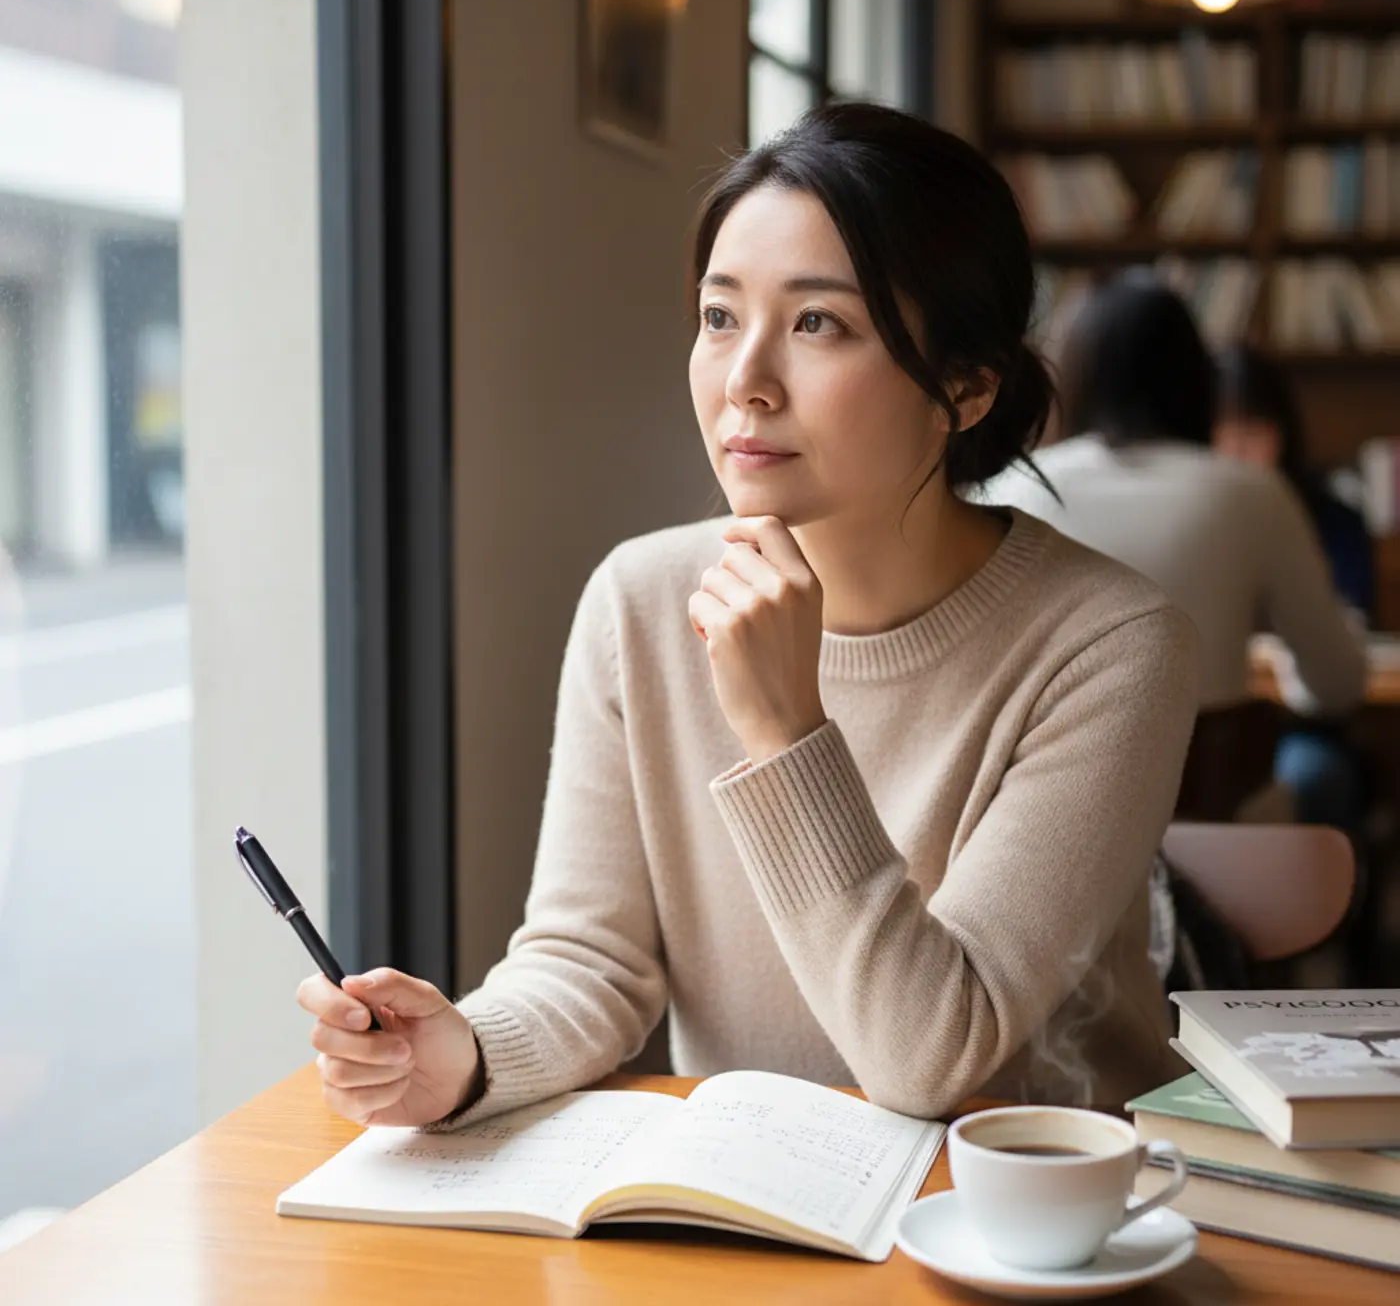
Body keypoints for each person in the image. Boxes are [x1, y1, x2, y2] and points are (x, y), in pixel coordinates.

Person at [297, 105, 1200, 1132]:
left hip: (1034, 1217)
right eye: (720, 317)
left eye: (818, 323)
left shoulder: (1113, 644)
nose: (743, 380)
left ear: (963, 384)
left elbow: (930, 1056)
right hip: (765, 1203)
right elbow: (588, 958)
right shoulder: (639, 598)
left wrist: (786, 730)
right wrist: (461, 1053)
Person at [983, 272, 1365, 726]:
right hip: (1217, 795)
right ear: (1198, 380)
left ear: (1071, 377)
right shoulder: (1253, 494)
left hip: (1043, 790)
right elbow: (1338, 684)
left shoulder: (1010, 490)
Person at [1213, 346, 1371, 830]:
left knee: (1312, 775)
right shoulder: (1199, 513)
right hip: (1207, 726)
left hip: (1301, 726)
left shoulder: (1329, 517)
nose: (1239, 450)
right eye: (1225, 433)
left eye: (1254, 432)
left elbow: (1351, 625)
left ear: (1283, 432)